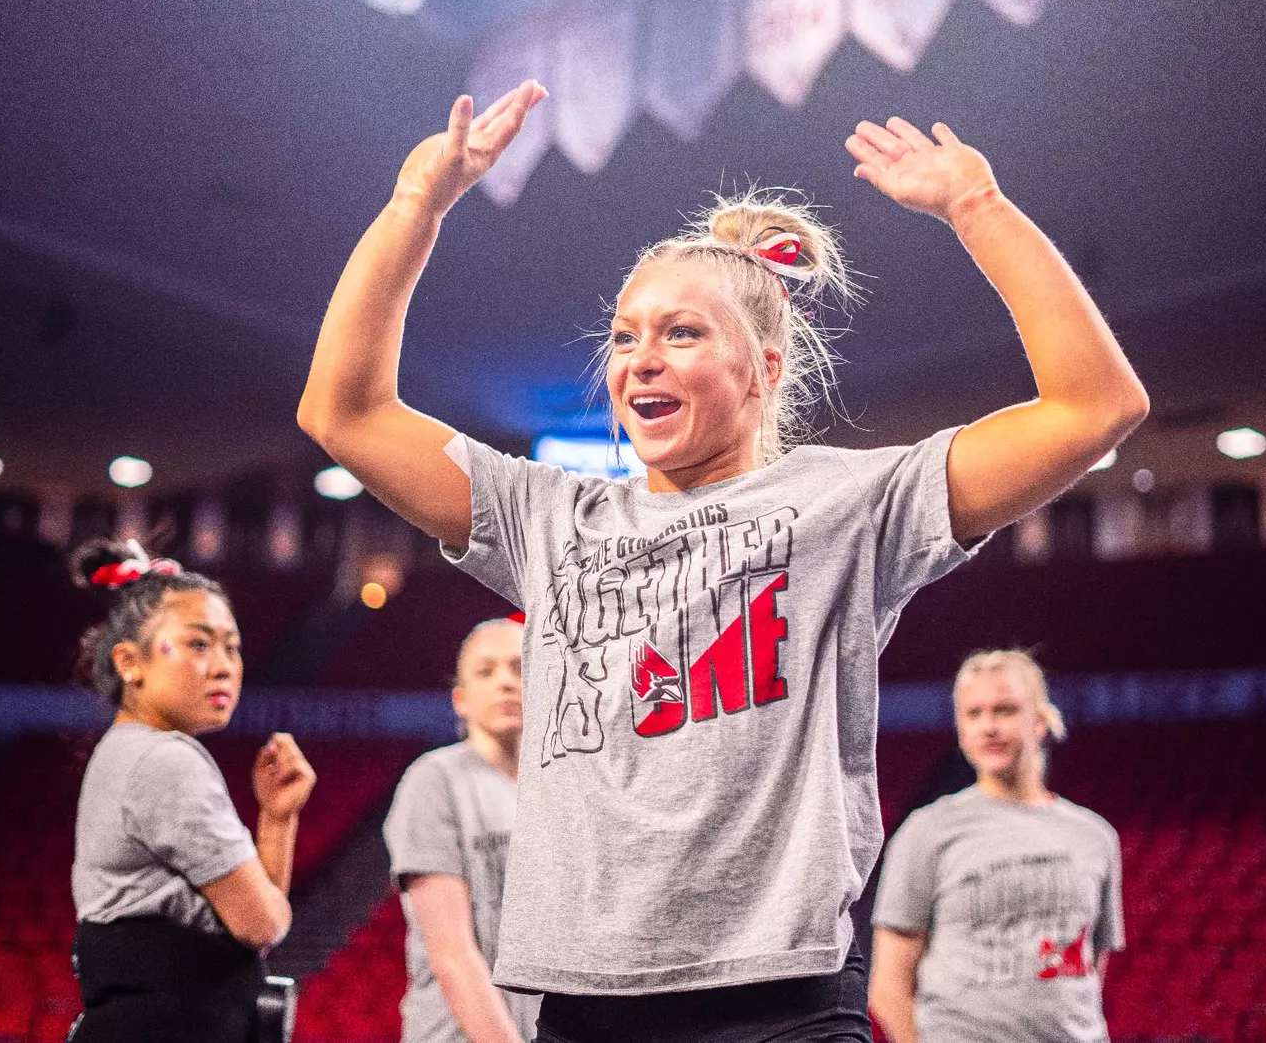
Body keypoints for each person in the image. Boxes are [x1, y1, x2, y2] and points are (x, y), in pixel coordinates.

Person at [297, 81, 1147, 1041]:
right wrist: (418, 205)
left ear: (766, 369)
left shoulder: (845, 503)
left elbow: (1093, 406)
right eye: (623, 336)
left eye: (682, 333)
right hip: (582, 1005)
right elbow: (346, 412)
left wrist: (978, 209)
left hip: (780, 1002)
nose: (639, 359)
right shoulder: (550, 517)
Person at [68, 539, 317, 1043]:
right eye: (199, 644)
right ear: (128, 662)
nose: (224, 666)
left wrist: (276, 817)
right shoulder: (166, 760)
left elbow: (251, 931)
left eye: (232, 647)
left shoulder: (125, 749)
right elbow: (262, 925)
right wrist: (268, 913)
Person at [869, 650, 1122, 1043]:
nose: (988, 726)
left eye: (1004, 710)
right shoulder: (927, 831)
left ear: (1039, 721)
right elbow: (888, 988)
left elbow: (1091, 967)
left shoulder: (1095, 836)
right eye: (973, 713)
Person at [385, 615, 539, 1043]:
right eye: (486, 671)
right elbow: (453, 953)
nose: (506, 682)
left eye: (521, 668)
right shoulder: (433, 779)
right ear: (461, 699)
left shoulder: (559, 787)